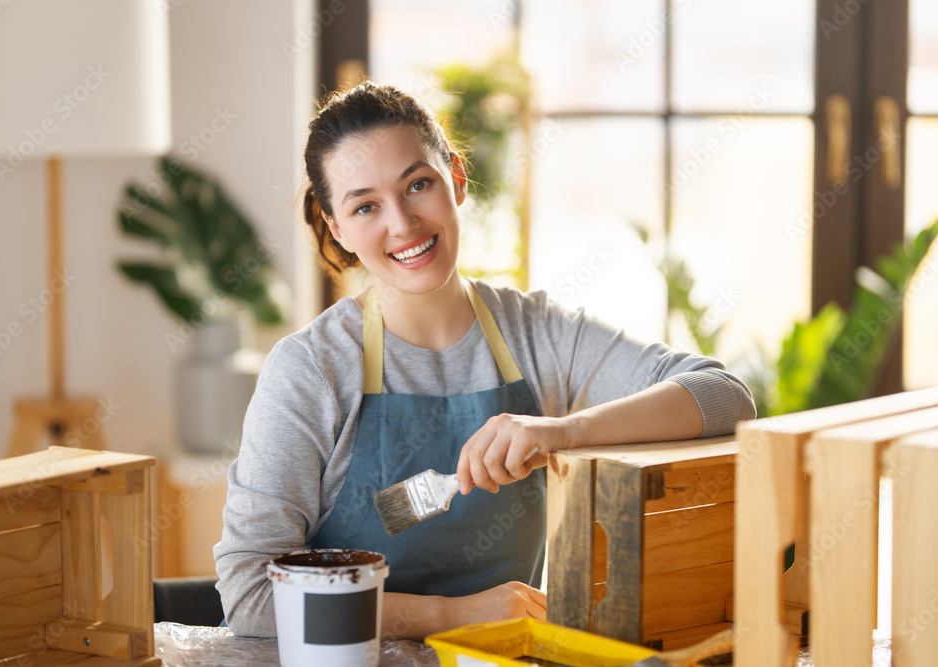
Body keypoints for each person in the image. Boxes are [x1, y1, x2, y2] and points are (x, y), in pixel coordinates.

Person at [213, 82, 756, 639]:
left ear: (456, 179)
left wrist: (561, 432)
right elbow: (253, 596)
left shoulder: (537, 334)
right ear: (337, 228)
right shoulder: (311, 370)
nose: (402, 224)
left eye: (417, 184)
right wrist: (453, 616)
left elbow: (724, 397)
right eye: (366, 206)